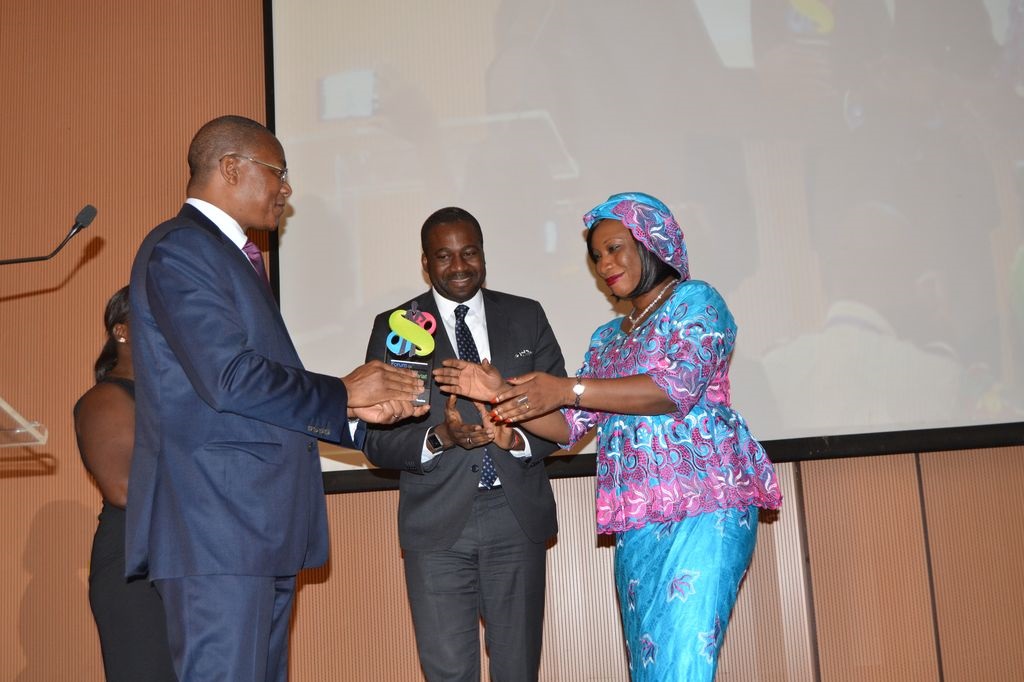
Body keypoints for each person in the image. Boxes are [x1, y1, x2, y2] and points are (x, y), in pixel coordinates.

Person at [126, 115, 427, 682]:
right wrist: (340, 392)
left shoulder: (229, 255)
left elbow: (252, 388)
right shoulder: (183, 249)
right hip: (217, 529)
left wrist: (352, 408)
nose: (286, 190)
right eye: (278, 173)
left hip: (253, 528)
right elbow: (229, 378)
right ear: (231, 168)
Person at [435, 192, 783, 681]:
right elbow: (566, 427)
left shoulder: (697, 301)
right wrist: (498, 393)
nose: (605, 264)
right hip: (638, 522)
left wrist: (567, 389)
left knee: (682, 663)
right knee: (650, 669)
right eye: (596, 256)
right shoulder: (607, 339)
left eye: (616, 248)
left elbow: (673, 388)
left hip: (707, 505)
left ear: (651, 243)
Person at [362, 206, 567, 682]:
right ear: (425, 262)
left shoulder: (525, 315)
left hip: (514, 518)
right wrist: (439, 437)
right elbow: (376, 440)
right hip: (436, 524)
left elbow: (564, 417)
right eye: (444, 256)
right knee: (449, 673)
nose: (459, 266)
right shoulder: (398, 327)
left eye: (469, 252)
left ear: (483, 254)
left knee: (517, 670)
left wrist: (513, 439)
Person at [73, 286, 176, 682]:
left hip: (178, 564)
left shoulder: (167, 399)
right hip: (137, 571)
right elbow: (124, 487)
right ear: (122, 331)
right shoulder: (107, 397)